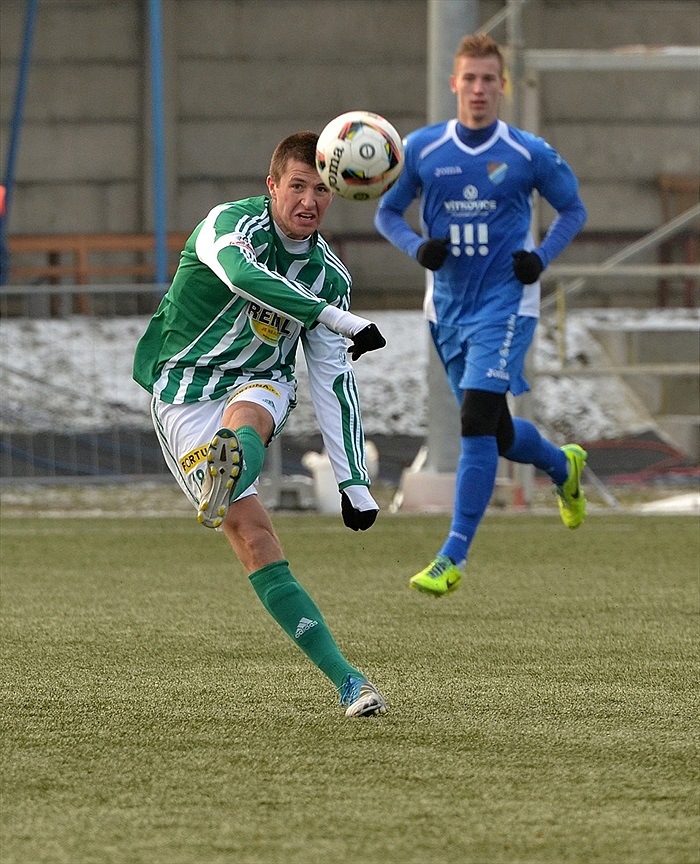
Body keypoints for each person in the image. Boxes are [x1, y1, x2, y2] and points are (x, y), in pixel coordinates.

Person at [133, 131, 387, 716]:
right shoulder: (230, 225)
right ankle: (228, 458)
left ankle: (351, 683)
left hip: (260, 384)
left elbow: (333, 381)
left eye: (322, 189)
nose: (309, 201)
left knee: (252, 409)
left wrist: (353, 482)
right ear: (271, 186)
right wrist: (336, 319)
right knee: (254, 539)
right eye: (297, 186)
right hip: (185, 387)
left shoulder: (330, 277)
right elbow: (242, 277)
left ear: (338, 192)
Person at [374, 33, 589, 597]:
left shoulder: (527, 153)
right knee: (494, 431)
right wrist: (418, 247)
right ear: (454, 85)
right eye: (469, 78)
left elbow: (573, 208)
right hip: (446, 310)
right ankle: (562, 466)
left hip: (506, 307)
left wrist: (539, 259)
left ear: (502, 87)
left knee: (474, 422)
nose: (478, 89)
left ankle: (453, 556)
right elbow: (388, 213)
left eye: (488, 79)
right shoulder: (422, 149)